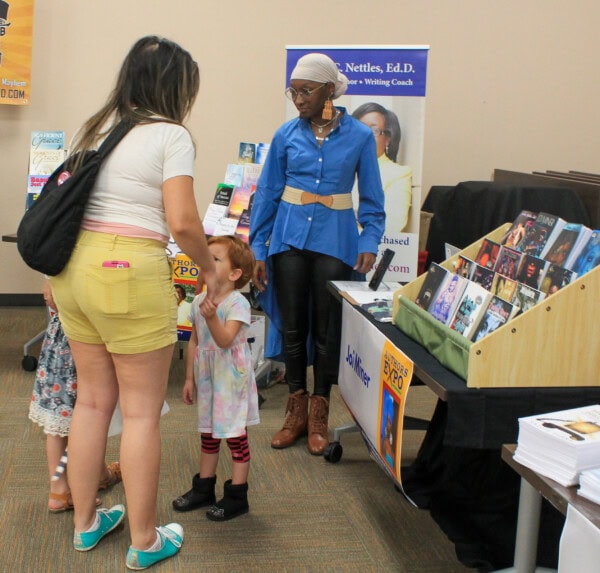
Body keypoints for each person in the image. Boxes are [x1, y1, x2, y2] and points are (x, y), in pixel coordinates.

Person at [49, 36, 217, 570]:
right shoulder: (170, 135)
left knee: (92, 402)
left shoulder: (98, 127)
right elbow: (184, 222)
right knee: (141, 411)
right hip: (127, 271)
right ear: (175, 87)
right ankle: (144, 541)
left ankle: (85, 523)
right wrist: (210, 271)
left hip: (73, 271)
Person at [249, 53, 385, 455]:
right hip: (288, 239)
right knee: (293, 328)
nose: (298, 99)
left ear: (330, 89)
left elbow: (373, 202)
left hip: (336, 240)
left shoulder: (360, 136)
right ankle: (295, 409)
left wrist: (369, 241)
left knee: (326, 332)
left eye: (306, 91)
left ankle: (319, 411)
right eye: (293, 91)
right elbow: (267, 195)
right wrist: (259, 247)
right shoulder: (285, 135)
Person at [172, 235, 260, 520]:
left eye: (215, 259)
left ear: (235, 274)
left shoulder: (237, 304)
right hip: (209, 379)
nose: (206, 263)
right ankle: (204, 488)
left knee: (235, 436)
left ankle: (237, 494)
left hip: (231, 381)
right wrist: (189, 379)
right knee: (208, 434)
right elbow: (195, 341)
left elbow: (224, 340)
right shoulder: (199, 300)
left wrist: (211, 317)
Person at [29, 280, 122, 513]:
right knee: (89, 419)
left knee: (59, 424)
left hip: (58, 346)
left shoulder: (56, 265)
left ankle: (63, 486)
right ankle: (69, 486)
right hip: (81, 346)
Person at [352, 102, 412, 232]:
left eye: (374, 131)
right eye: (359, 129)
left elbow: (391, 225)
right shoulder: (340, 168)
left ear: (388, 139)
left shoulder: (398, 174)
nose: (364, 136)